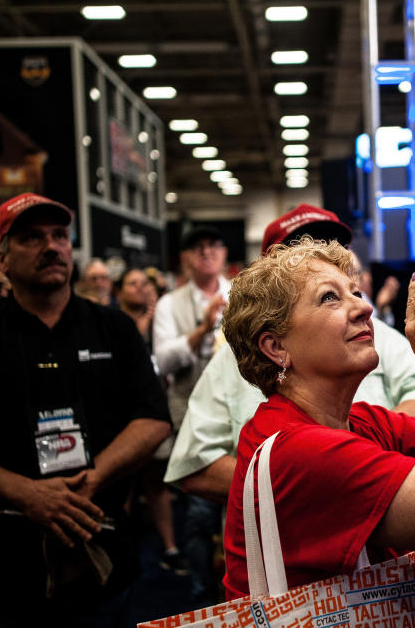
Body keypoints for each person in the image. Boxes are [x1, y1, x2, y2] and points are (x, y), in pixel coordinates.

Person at [220, 219, 415, 598]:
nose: (364, 308)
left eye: (355, 291)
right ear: (276, 348)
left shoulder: (361, 421)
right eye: (329, 297)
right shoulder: (300, 450)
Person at [0, 192, 171, 627]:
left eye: (59, 235)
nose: (51, 246)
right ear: (2, 260)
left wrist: (93, 479)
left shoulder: (113, 328)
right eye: (31, 238)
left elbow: (153, 417)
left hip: (98, 559)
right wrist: (23, 493)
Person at [165, 204, 415, 499]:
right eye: (301, 249)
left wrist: (351, 463)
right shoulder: (232, 359)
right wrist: (298, 483)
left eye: (331, 246)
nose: (321, 258)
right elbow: (195, 464)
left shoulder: (373, 336)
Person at [151, 226, 231, 596]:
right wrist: (201, 328)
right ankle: (203, 593)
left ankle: (241, 589)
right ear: (185, 258)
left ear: (223, 253)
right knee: (199, 512)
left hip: (239, 414)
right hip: (193, 418)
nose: (206, 253)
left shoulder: (240, 293)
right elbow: (163, 361)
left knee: (245, 507)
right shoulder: (170, 303)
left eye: (213, 246)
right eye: (198, 248)